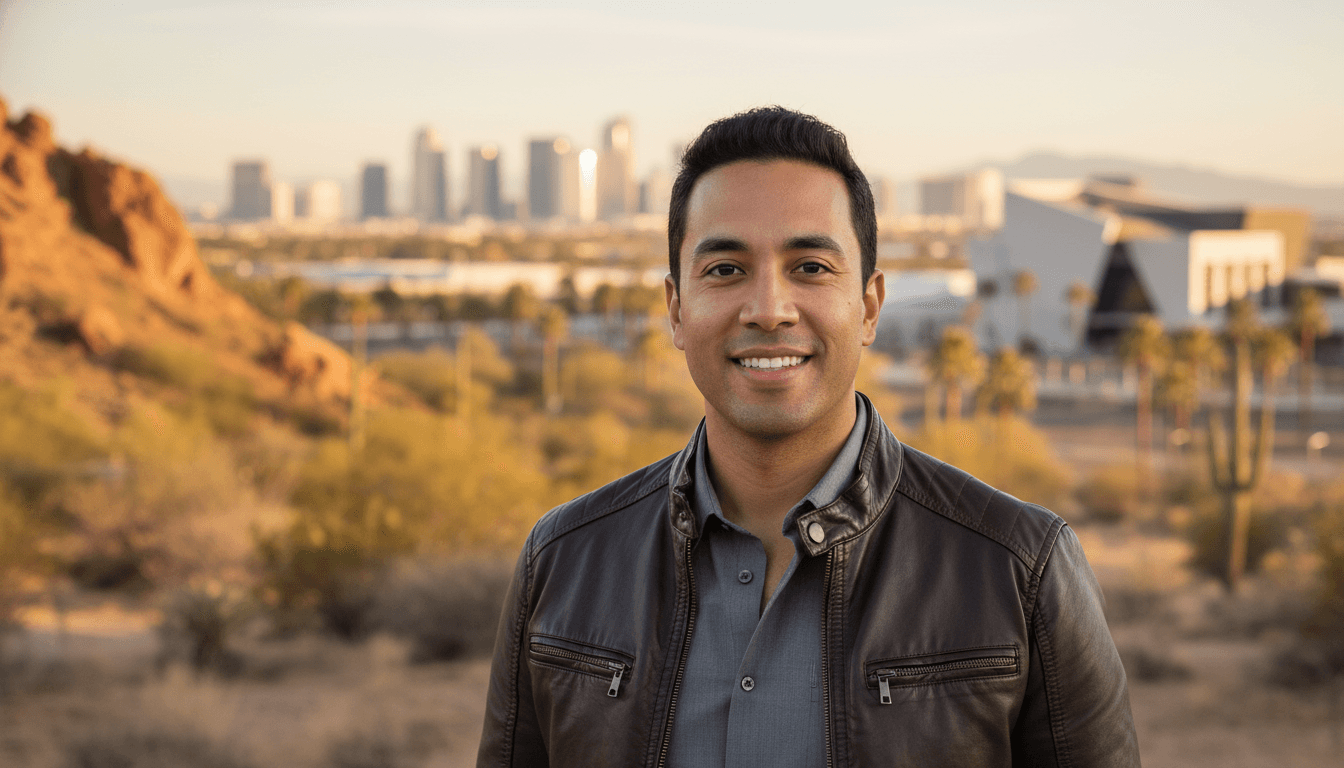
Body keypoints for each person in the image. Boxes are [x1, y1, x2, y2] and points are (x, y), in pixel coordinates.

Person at [477, 107, 1139, 768]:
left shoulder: (1019, 570)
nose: (768, 308)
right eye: (725, 270)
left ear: (870, 306)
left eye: (812, 268)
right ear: (677, 309)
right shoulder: (562, 563)